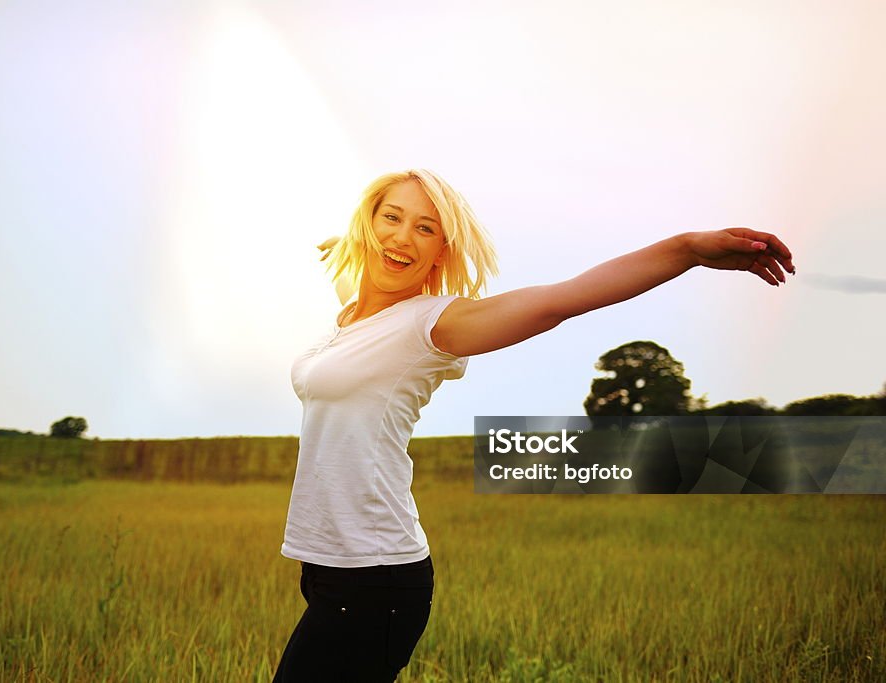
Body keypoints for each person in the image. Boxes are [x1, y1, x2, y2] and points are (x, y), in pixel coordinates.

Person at [272, 169, 795, 682]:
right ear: (368, 221)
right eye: (391, 217)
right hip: (326, 568)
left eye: (425, 228)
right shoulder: (354, 317)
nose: (402, 236)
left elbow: (559, 300)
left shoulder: (430, 324)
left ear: (441, 252)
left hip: (375, 579)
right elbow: (352, 278)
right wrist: (342, 248)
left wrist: (686, 250)